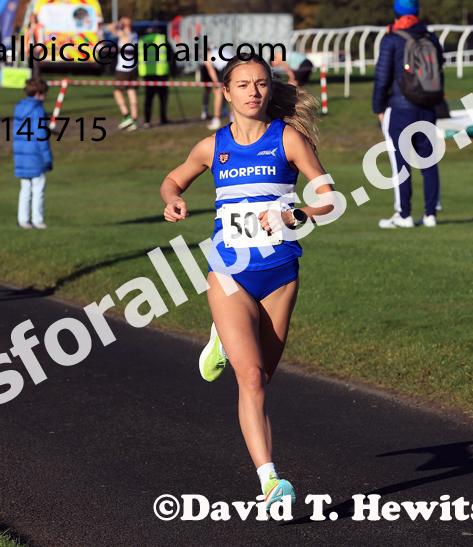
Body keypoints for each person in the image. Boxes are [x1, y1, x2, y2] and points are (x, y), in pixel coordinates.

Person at [159, 55, 336, 512]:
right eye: (243, 84)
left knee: (262, 381)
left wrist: (295, 213)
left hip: (280, 273)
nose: (253, 92)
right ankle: (270, 481)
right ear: (226, 93)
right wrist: (173, 198)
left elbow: (330, 199)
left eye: (261, 84)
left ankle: (222, 336)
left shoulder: (288, 139)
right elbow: (173, 178)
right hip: (228, 271)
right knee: (252, 379)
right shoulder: (212, 146)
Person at [373, 0, 444, 229]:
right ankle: (431, 214)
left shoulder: (392, 39)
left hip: (400, 109)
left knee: (400, 164)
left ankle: (404, 215)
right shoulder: (430, 37)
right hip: (428, 107)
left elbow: (382, 78)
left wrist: (378, 108)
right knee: (429, 161)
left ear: (395, 13)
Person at [13, 78, 52, 229]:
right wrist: (47, 157)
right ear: (38, 94)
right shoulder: (38, 110)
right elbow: (40, 135)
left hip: (21, 154)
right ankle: (37, 220)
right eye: (44, 94)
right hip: (35, 154)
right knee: (38, 188)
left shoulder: (19, 107)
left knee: (25, 188)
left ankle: (23, 220)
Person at [106, 17, 138, 131]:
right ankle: (134, 120)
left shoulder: (124, 34)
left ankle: (127, 116)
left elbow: (109, 27)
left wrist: (119, 23)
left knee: (118, 92)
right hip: (134, 67)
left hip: (123, 69)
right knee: (131, 91)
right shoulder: (135, 34)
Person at [137, 27, 170, 128]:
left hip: (147, 73)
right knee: (163, 98)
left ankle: (147, 120)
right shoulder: (162, 39)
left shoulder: (142, 40)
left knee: (148, 98)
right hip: (162, 72)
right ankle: (163, 118)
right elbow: (170, 54)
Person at [203, 44, 232, 130]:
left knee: (218, 93)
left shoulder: (207, 55)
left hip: (225, 68)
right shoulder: (221, 52)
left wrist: (216, 83)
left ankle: (216, 119)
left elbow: (210, 69)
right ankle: (233, 117)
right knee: (232, 93)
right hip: (234, 65)